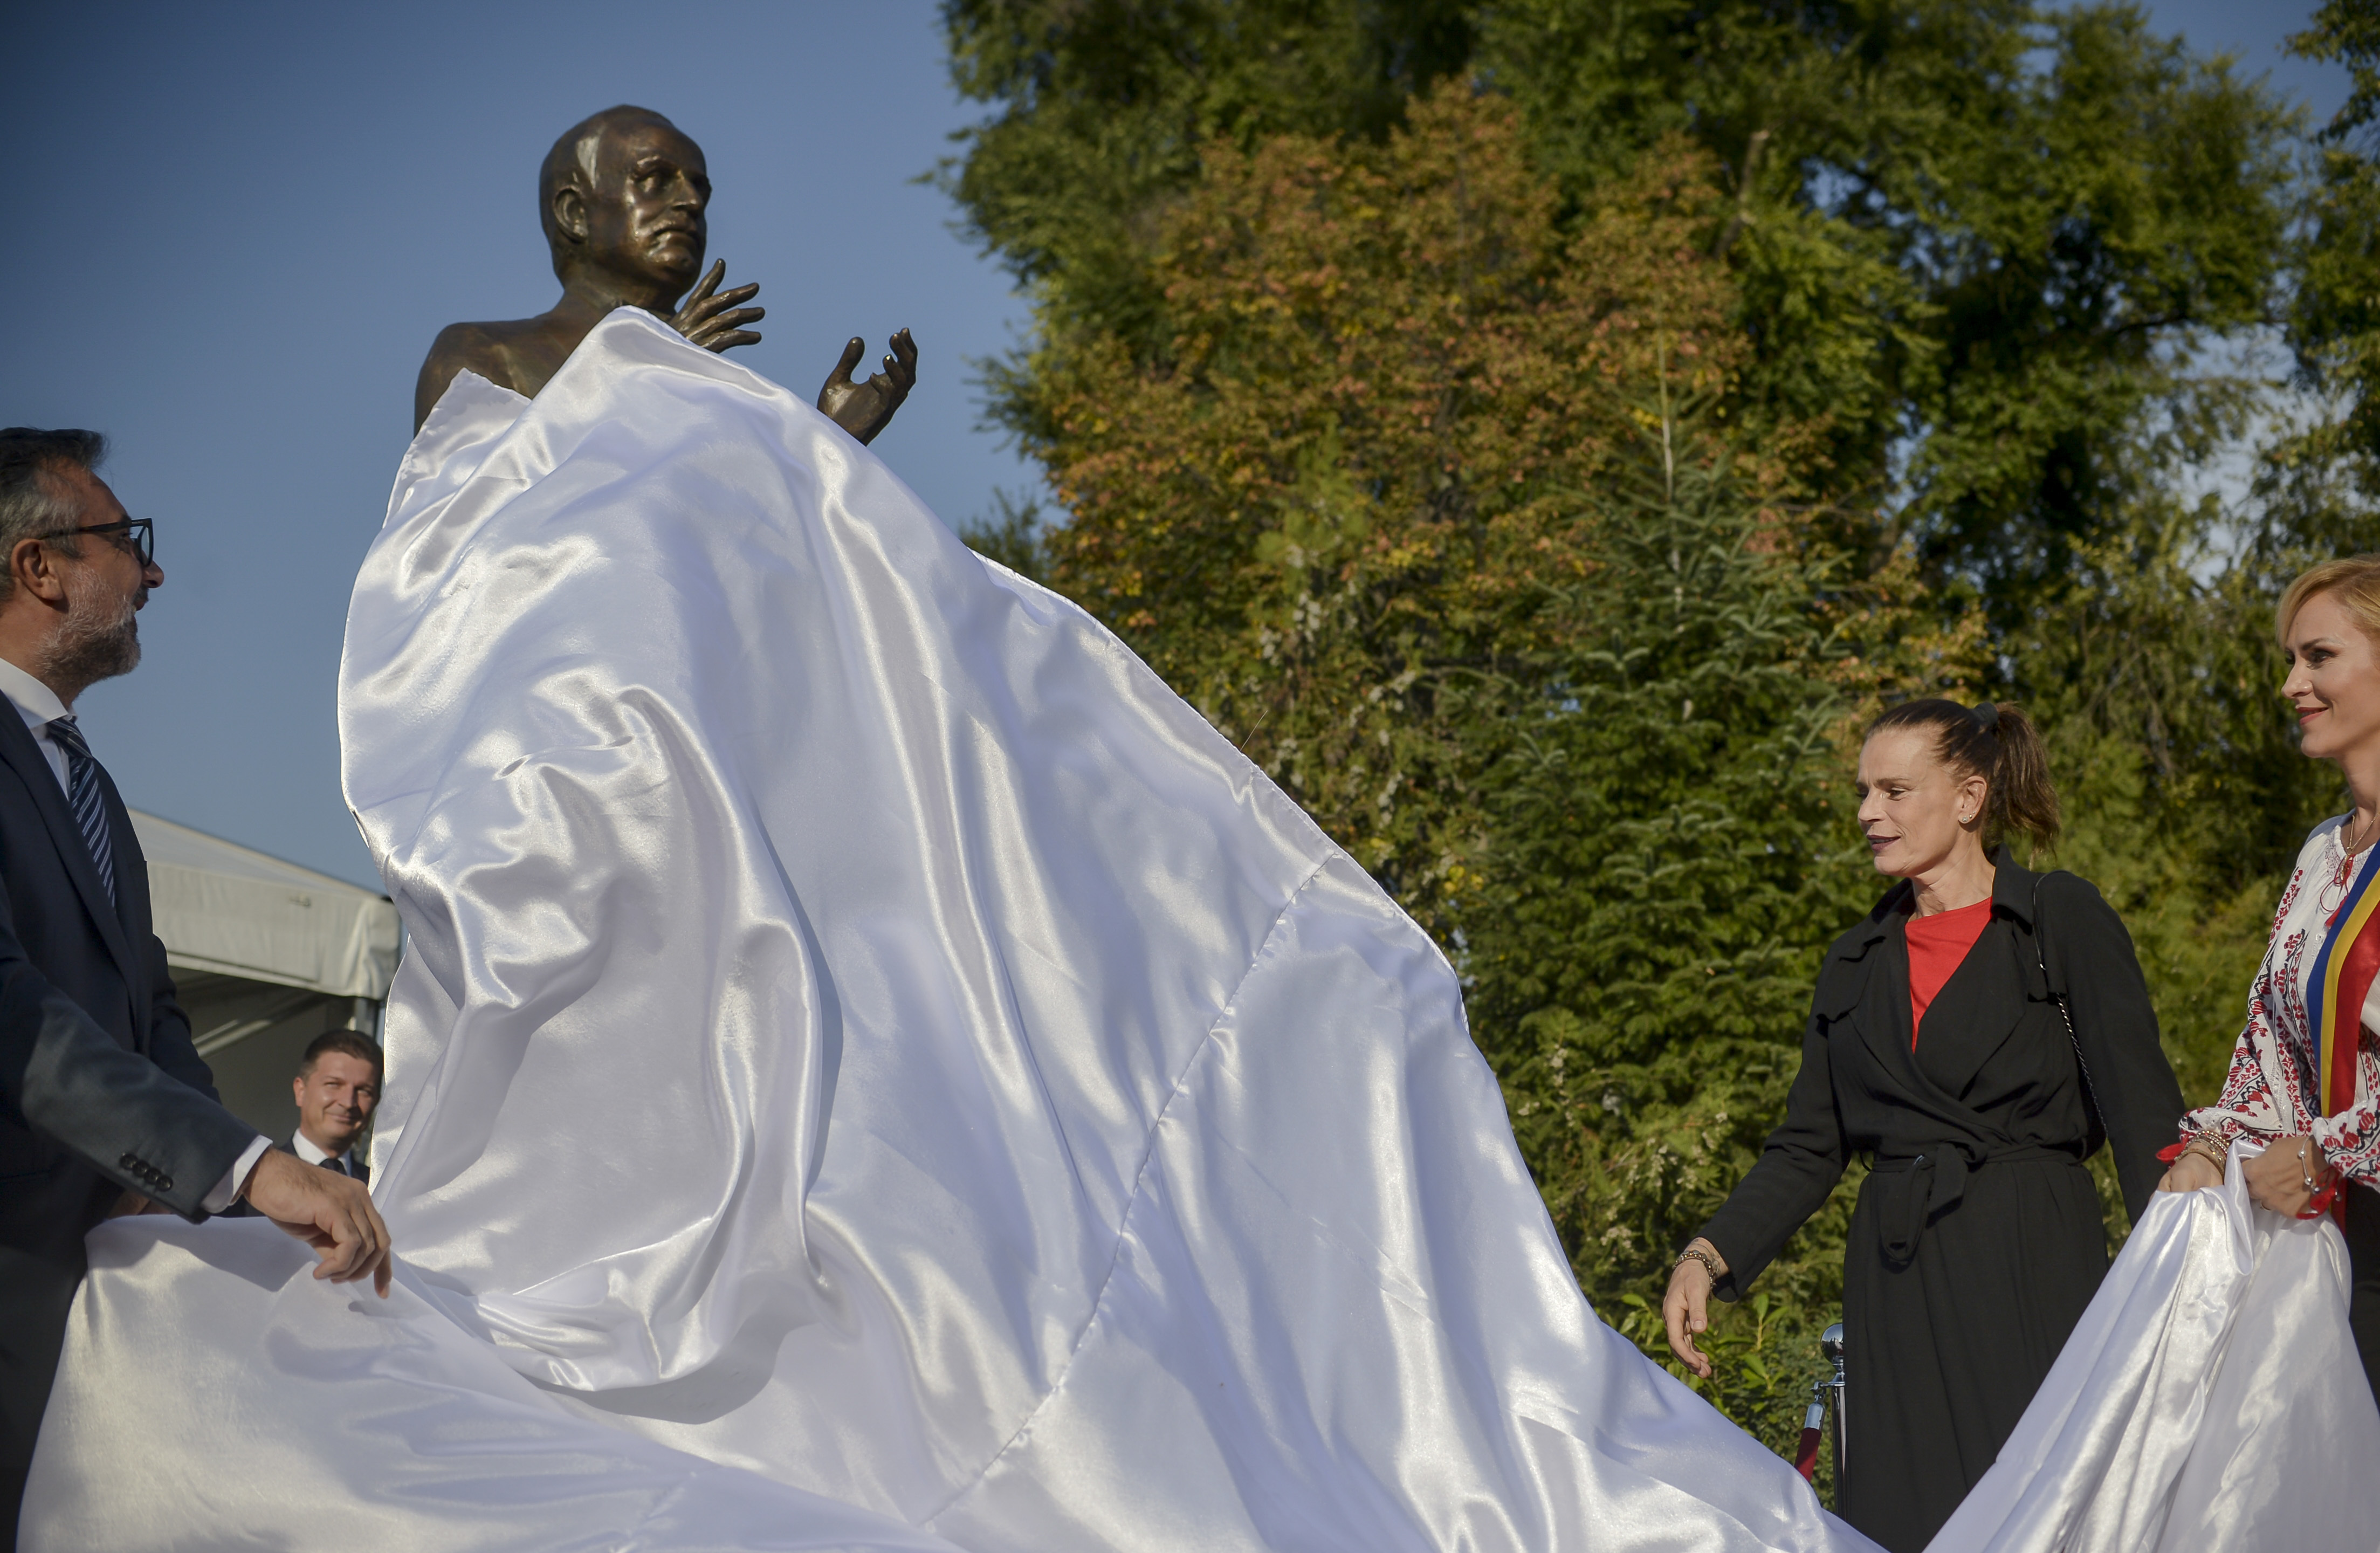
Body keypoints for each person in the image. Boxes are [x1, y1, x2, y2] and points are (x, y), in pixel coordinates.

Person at [1661, 698, 2185, 1552]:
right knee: (1902, 1522)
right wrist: (1708, 1256)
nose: (1868, 813)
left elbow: (2141, 1111)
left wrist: (2176, 1289)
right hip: (1893, 1280)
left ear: (1970, 797)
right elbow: (1808, 1145)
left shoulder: (2056, 920)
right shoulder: (1854, 961)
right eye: (1863, 791)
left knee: (2038, 1516)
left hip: (2031, 1259)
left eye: (1895, 790)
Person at [0, 429, 392, 1548]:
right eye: (126, 541)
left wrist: (195, 1184)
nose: (155, 573)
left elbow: (150, 1018)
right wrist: (248, 1165)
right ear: (41, 568)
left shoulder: (89, 786)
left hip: (96, 1307)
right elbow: (14, 1010)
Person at [2161, 555, 2380, 1402]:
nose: (2292, 683)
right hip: (2336, 1256)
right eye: (2290, 660)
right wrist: (2212, 1144)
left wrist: (2323, 1155)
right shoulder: (2324, 852)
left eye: (2317, 657)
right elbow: (2268, 1049)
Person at [414, 104, 918, 441]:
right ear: (575, 213)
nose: (691, 201)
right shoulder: (483, 355)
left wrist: (826, 449)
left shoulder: (727, 387)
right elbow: (469, 537)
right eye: (655, 179)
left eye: (700, 188)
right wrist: (643, 374)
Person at [283, 1031, 380, 1183]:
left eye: (363, 1091)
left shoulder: (383, 1192)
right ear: (301, 1091)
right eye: (334, 1085)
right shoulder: (251, 1186)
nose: (348, 1103)